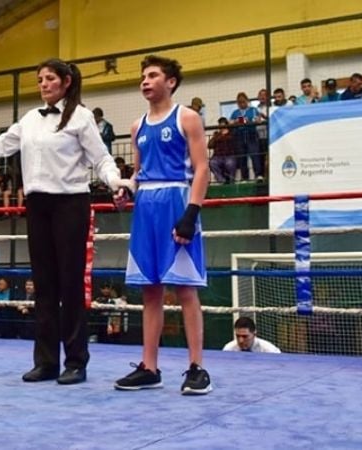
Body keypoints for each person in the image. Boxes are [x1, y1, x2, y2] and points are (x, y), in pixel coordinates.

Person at [0, 58, 131, 385]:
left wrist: (116, 181)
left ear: (65, 81)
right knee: (44, 285)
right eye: (39, 79)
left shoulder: (81, 116)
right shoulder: (30, 119)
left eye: (49, 78)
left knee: (71, 283)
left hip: (71, 202)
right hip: (37, 203)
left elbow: (101, 158)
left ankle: (76, 361)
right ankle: (46, 362)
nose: (43, 84)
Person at [114, 55, 212, 395]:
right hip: (146, 208)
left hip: (176, 200)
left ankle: (197, 367)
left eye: (152, 75)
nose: (145, 81)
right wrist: (127, 190)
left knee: (185, 288)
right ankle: (149, 367)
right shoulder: (137, 126)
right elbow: (138, 173)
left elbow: (202, 168)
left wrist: (191, 212)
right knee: (149, 289)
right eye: (142, 76)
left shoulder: (187, 117)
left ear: (170, 81)